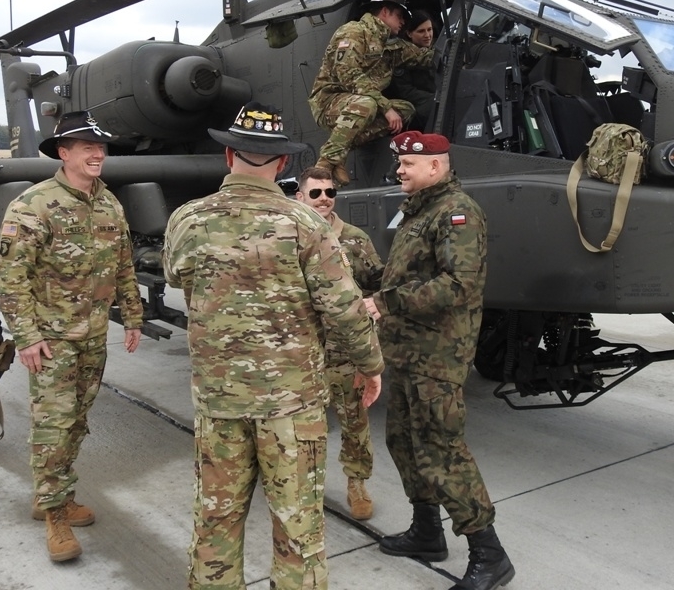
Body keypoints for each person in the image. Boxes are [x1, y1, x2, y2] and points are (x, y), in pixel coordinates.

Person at [162, 102, 384, 590]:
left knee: (216, 521)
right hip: (292, 404)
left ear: (228, 155)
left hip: (219, 400)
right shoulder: (307, 224)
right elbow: (344, 308)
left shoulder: (187, 219)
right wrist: (370, 365)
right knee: (298, 526)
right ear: (282, 162)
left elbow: (176, 277)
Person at [364, 131, 515, 590]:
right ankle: (427, 531)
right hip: (407, 352)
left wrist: (385, 303)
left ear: (435, 166)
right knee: (404, 442)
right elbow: (403, 275)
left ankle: (489, 554)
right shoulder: (420, 211)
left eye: (408, 164)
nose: (399, 170)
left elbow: (458, 285)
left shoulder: (457, 212)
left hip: (437, 355)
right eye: (399, 163)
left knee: (441, 451)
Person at [0, 111, 144, 563]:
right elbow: (11, 277)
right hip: (52, 339)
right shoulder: (33, 204)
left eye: (101, 148)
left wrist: (132, 317)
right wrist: (26, 337)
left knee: (77, 422)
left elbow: (123, 264)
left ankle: (51, 494)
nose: (98, 155)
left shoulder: (109, 203)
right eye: (87, 148)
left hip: (94, 335)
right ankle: (55, 514)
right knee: (54, 426)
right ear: (64, 153)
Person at [295, 165, 383, 521]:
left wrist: (374, 309)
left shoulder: (354, 239)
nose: (324, 199)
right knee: (302, 427)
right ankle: (304, 487)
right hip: (304, 354)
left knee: (355, 421)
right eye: (315, 193)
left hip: (346, 351)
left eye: (330, 192)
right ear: (300, 196)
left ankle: (356, 483)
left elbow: (378, 283)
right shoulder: (288, 237)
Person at [308, 0, 433, 186]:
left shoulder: (391, 45)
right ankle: (326, 163)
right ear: (385, 12)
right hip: (330, 102)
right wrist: (386, 107)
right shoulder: (354, 32)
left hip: (362, 105)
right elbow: (349, 74)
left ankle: (342, 149)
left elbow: (425, 58)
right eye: (399, 15)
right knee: (368, 104)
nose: (403, 22)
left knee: (406, 110)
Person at [385, 9, 438, 131]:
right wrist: (435, 98)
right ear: (409, 33)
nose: (427, 35)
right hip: (417, 107)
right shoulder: (401, 55)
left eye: (429, 29)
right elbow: (406, 92)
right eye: (421, 31)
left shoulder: (439, 49)